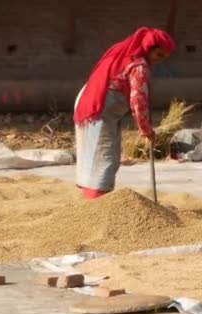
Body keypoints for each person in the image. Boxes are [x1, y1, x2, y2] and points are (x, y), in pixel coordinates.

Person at [73, 27, 175, 199]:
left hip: (88, 103)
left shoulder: (123, 53)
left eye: (164, 58)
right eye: (158, 55)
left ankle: (91, 201)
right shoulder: (139, 65)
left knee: (90, 156)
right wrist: (146, 130)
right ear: (148, 48)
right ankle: (96, 206)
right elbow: (139, 102)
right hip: (100, 109)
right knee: (105, 158)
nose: (159, 61)